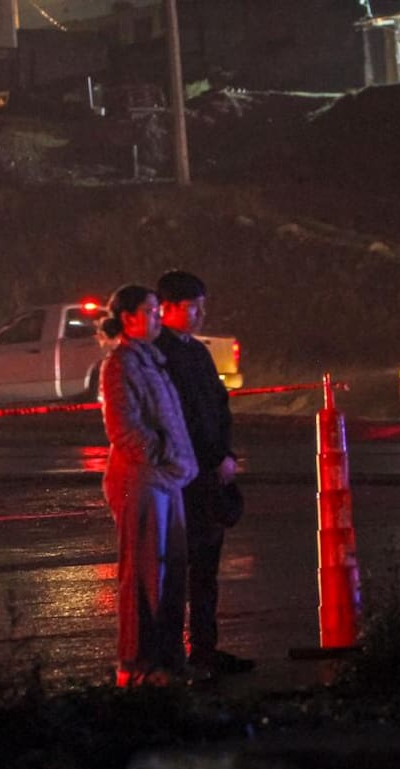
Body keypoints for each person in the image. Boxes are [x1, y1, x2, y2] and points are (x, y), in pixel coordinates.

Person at [155, 270, 256, 675]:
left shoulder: (196, 352)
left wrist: (226, 454)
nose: (199, 315)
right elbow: (182, 418)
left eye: (202, 307)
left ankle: (205, 648)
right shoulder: (159, 355)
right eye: (192, 307)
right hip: (183, 478)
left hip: (210, 475)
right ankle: (174, 653)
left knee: (207, 568)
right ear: (168, 308)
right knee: (180, 567)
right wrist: (210, 457)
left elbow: (217, 407)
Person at [98, 284, 199, 687]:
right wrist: (158, 452)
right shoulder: (120, 365)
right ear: (129, 319)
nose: (158, 318)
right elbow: (123, 429)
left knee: (172, 573)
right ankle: (138, 665)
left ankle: (169, 660)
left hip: (168, 479)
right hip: (142, 481)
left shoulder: (152, 361)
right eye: (151, 311)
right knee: (143, 576)